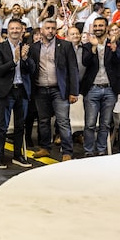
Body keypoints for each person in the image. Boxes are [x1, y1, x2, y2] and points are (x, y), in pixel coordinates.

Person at [29, 18, 80, 161]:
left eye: (53, 28)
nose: (50, 31)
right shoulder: (34, 47)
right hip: (40, 89)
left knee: (63, 121)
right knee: (43, 121)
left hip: (59, 90)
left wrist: (74, 92)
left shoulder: (65, 45)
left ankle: (67, 152)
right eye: (47, 28)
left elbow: (73, 69)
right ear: (41, 30)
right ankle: (45, 148)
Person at [0, 18, 35, 169]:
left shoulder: (26, 47)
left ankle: (18, 155)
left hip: (22, 90)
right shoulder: (0, 48)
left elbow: (32, 69)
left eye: (17, 28)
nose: (15, 31)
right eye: (12, 28)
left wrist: (25, 59)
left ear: (22, 30)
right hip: (6, 91)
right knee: (3, 126)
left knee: (20, 126)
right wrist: (15, 61)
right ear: (7, 30)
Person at [80, 17, 120, 157]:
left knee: (105, 124)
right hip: (92, 88)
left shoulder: (113, 43)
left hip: (110, 89)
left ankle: (101, 151)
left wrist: (115, 48)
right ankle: (88, 151)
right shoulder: (88, 45)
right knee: (90, 124)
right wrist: (94, 48)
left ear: (106, 28)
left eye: (101, 25)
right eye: (96, 26)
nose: (98, 28)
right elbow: (85, 62)